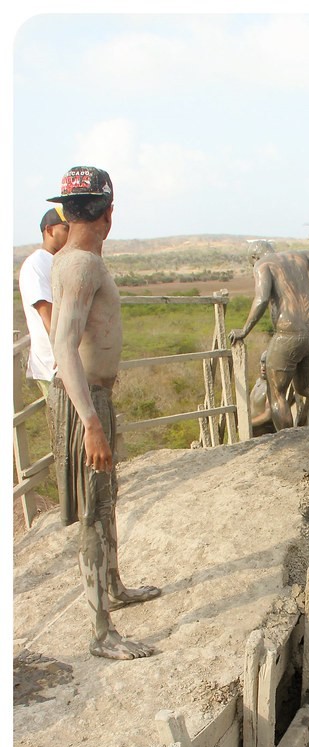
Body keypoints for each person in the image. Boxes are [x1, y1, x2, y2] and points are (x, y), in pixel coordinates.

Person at [46, 166, 160, 659]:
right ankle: (100, 633)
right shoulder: (82, 266)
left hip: (93, 399)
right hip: (85, 402)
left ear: (67, 212)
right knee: (95, 512)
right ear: (108, 214)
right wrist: (91, 422)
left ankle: (113, 588)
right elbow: (63, 345)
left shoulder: (74, 259)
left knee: (106, 500)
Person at [230, 240, 309, 430]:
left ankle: (287, 437)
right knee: (305, 387)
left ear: (254, 257)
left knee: (276, 391)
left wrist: (245, 330)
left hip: (288, 331)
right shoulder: (299, 256)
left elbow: (262, 298)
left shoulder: (263, 265)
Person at [18, 206, 70, 396]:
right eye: (66, 228)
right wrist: (63, 353)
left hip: (65, 363)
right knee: (64, 422)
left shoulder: (58, 261)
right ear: (49, 230)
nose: (71, 234)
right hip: (52, 365)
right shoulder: (37, 263)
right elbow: (46, 312)